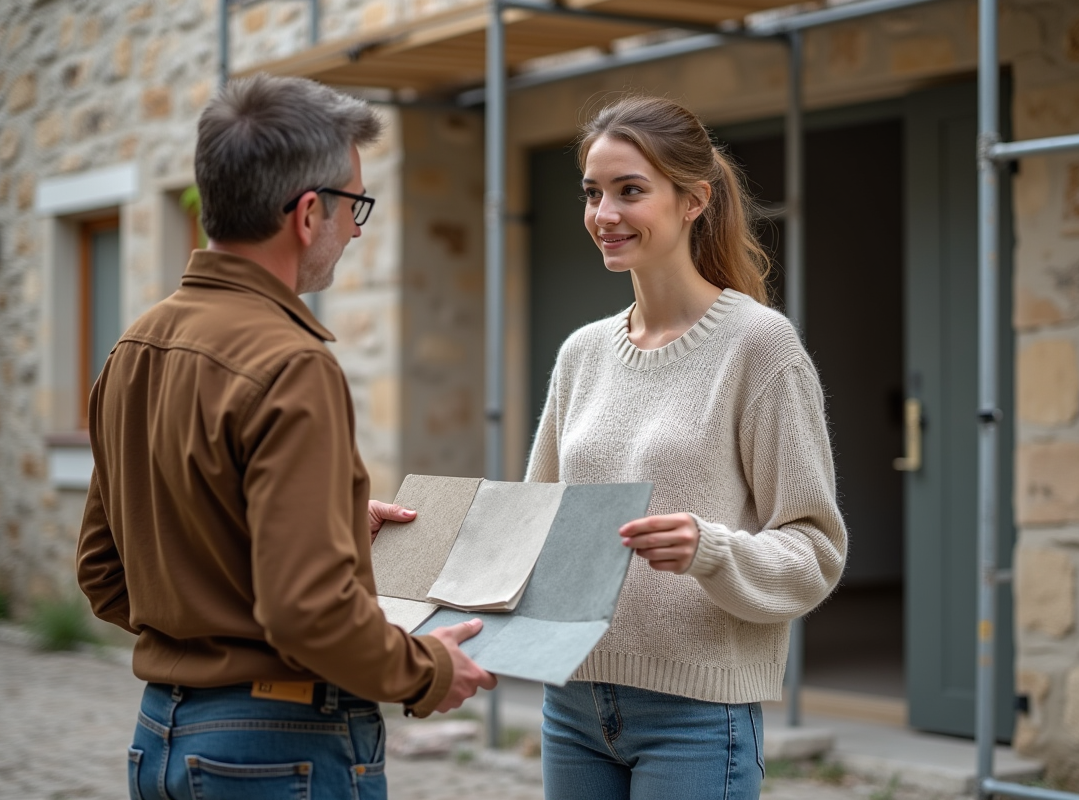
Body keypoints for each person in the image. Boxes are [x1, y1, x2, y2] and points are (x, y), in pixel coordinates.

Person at [76, 74, 496, 800]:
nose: (357, 230)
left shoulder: (133, 348)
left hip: (160, 738)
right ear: (309, 214)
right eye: (355, 207)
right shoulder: (292, 363)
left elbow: (105, 573)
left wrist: (317, 533)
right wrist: (426, 671)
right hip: (280, 750)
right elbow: (306, 611)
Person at [526, 95, 849, 799]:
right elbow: (535, 529)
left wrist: (711, 549)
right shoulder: (581, 353)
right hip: (572, 704)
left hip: (697, 716)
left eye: (629, 191)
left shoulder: (760, 347)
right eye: (592, 193)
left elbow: (815, 550)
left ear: (693, 199)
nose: (603, 215)